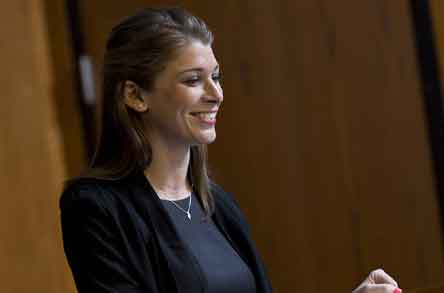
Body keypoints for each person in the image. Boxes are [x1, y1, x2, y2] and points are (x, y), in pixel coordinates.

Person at [59, 7, 402, 293]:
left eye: (216, 77)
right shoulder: (94, 207)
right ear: (135, 95)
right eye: (193, 80)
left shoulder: (218, 204)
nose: (216, 94)